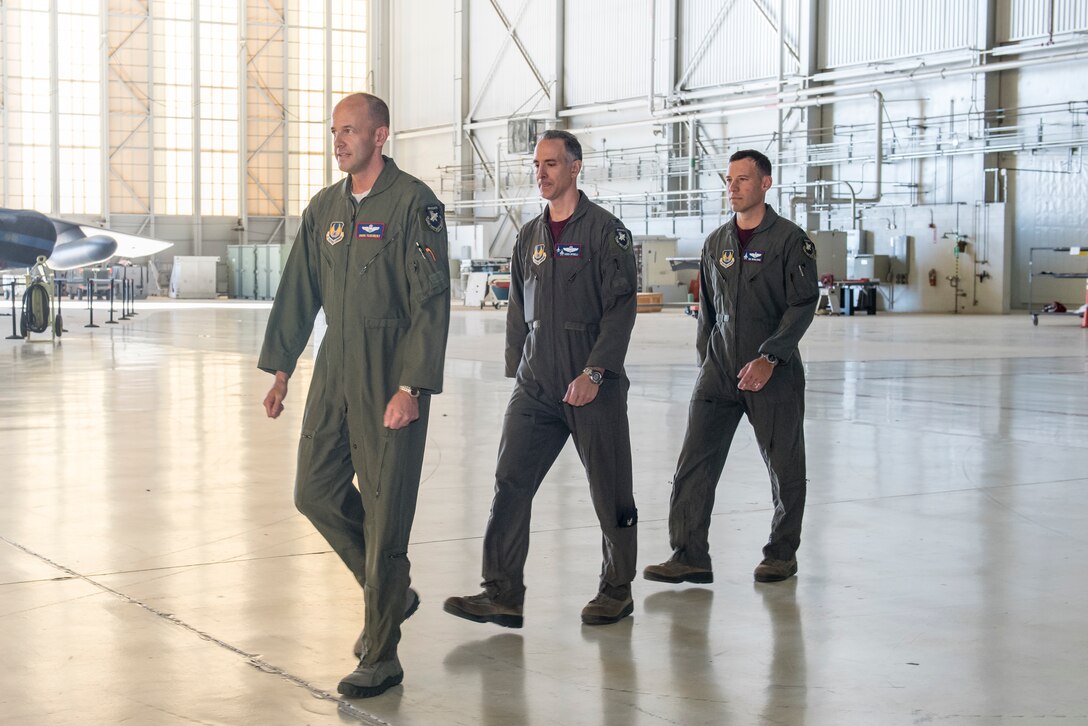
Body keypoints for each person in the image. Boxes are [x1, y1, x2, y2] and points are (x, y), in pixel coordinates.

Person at [258, 92, 450, 699]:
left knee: (387, 511)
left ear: (380, 135)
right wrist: (283, 368)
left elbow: (430, 300)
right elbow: (298, 289)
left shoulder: (415, 204)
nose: (338, 140)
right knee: (313, 489)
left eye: (350, 131)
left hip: (391, 370)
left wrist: (412, 386)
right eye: (334, 131)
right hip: (336, 363)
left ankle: (382, 655)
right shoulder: (326, 209)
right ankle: (393, 593)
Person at [444, 130, 639, 628]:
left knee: (609, 490)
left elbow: (620, 310)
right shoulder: (529, 235)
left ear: (575, 168)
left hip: (590, 381)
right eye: (537, 164)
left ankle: (616, 590)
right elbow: (517, 310)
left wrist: (596, 372)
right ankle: (502, 593)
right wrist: (519, 370)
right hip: (537, 386)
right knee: (510, 483)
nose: (541, 172)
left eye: (551, 163)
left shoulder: (605, 232)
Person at [643, 149, 818, 586]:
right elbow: (707, 310)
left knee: (785, 466)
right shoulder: (717, 241)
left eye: (742, 179)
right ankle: (689, 555)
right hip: (718, 373)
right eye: (729, 180)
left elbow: (802, 304)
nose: (733, 187)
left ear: (765, 184)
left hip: (771, 374)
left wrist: (771, 357)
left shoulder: (790, 241)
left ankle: (781, 554)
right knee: (693, 465)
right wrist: (705, 361)